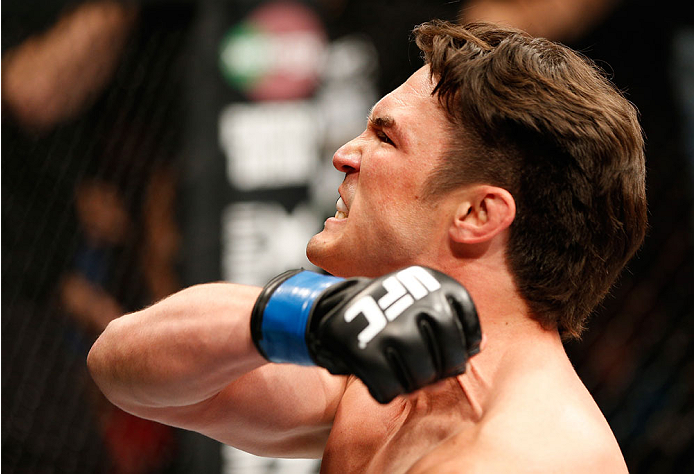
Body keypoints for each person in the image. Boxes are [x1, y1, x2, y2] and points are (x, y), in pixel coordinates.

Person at [88, 20, 646, 473]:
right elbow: (121, 369)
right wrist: (305, 315)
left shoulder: (526, 453)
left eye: (385, 136)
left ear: (477, 213)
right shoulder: (382, 377)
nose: (343, 154)